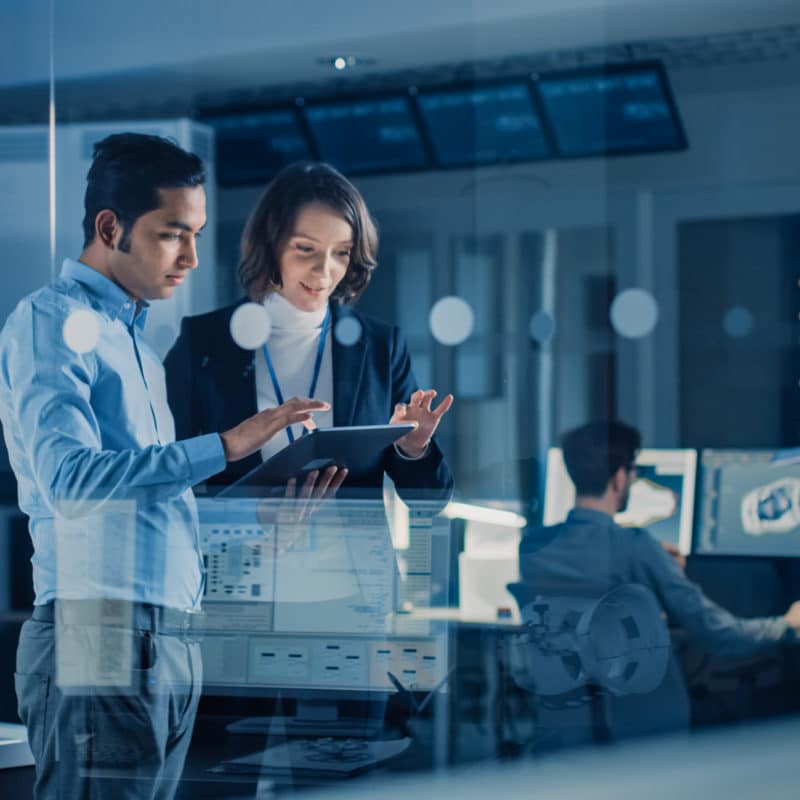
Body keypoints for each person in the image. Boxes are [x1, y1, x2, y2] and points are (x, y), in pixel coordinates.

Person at [0, 133, 328, 799]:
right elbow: (70, 481)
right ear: (110, 227)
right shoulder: (50, 320)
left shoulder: (139, 347)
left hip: (168, 635)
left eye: (198, 233)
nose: (190, 257)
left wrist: (255, 527)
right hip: (97, 630)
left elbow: (145, 506)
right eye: (172, 234)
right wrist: (228, 444)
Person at [164, 161, 454, 500]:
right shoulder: (204, 342)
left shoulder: (380, 347)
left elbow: (429, 501)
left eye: (341, 253)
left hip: (351, 552)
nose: (324, 271)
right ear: (271, 245)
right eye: (306, 249)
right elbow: (165, 474)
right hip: (242, 550)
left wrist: (414, 448)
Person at [516, 420, 800, 747]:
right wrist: (788, 626)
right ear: (621, 476)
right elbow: (719, 634)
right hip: (643, 737)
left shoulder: (533, 548)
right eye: (633, 471)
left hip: (565, 728)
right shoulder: (637, 548)